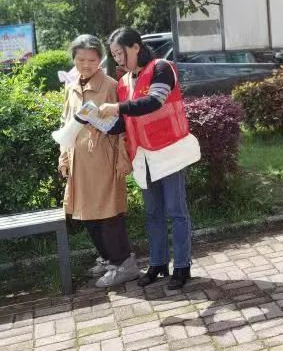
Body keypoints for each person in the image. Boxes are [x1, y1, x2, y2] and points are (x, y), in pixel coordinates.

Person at [100, 28, 201, 289]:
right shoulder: (124, 82)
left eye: (120, 53)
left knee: (176, 211)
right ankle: (158, 264)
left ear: (136, 47)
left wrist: (116, 107)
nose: (118, 59)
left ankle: (182, 266)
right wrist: (98, 123)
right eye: (114, 55)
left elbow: (155, 101)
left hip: (169, 151)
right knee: (153, 213)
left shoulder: (161, 68)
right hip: (142, 155)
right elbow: (125, 121)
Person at [58, 35, 138, 287]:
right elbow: (65, 124)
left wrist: (123, 159)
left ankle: (124, 264)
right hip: (79, 161)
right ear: (73, 59)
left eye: (91, 60)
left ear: (100, 60)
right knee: (86, 213)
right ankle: (108, 258)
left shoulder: (111, 85)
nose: (85, 64)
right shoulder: (71, 87)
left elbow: (124, 126)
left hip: (104, 159)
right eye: (80, 59)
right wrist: (63, 157)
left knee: (108, 213)